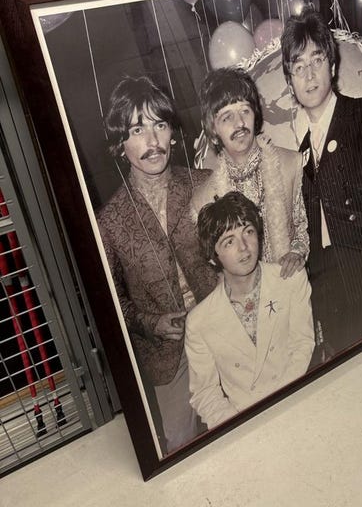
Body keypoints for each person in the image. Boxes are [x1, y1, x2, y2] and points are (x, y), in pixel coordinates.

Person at [96, 76, 217, 453]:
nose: (152, 141)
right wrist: (152, 323)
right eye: (137, 130)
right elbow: (112, 303)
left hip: (225, 331)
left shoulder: (206, 184)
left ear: (173, 134)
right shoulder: (109, 223)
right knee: (181, 447)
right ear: (120, 144)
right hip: (168, 357)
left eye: (159, 125)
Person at [281, 6, 362, 364]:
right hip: (326, 283)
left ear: (332, 66)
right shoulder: (301, 151)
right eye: (298, 67)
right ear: (290, 82)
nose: (309, 75)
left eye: (317, 60)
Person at [185, 191, 314, 429]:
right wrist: (239, 426)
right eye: (229, 241)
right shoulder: (199, 322)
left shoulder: (290, 280)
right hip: (244, 423)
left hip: (297, 401)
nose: (244, 247)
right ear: (213, 257)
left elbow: (302, 346)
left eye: (248, 232)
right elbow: (205, 393)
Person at [191, 67, 309, 279]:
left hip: (292, 285)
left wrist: (296, 253)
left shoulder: (293, 164)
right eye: (227, 117)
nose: (239, 123)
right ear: (213, 132)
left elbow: (306, 228)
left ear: (255, 115)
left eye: (245, 111)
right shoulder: (203, 199)